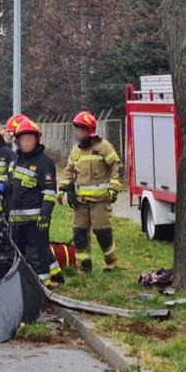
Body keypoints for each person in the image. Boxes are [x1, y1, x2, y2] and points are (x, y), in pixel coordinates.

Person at [58, 111, 123, 273]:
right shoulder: (76, 151)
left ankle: (111, 263)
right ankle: (83, 266)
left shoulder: (104, 147)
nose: (77, 133)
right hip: (80, 203)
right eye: (76, 130)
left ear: (89, 131)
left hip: (100, 201)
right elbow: (68, 171)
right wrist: (62, 189)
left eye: (80, 130)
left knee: (103, 232)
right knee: (79, 233)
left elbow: (117, 167)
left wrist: (114, 190)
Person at [8, 118, 63, 289]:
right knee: (20, 256)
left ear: (37, 140)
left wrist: (45, 215)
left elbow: (49, 193)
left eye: (30, 139)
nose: (26, 143)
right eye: (23, 140)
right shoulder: (17, 159)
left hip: (35, 222)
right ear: (17, 141)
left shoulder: (44, 162)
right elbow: (11, 182)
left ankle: (42, 288)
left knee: (36, 256)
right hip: (16, 221)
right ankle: (29, 285)